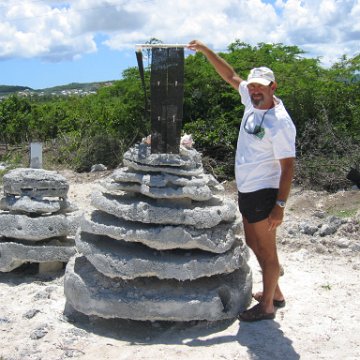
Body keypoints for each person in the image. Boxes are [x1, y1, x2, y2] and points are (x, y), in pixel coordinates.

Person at [187, 40, 296, 322]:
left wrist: (280, 206)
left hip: (264, 191)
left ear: (274, 87)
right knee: (253, 243)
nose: (255, 89)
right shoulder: (250, 99)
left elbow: (288, 167)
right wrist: (206, 50)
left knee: (267, 250)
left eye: (261, 86)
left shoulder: (280, 122)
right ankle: (276, 292)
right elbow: (229, 75)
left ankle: (268, 306)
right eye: (253, 85)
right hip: (248, 189)